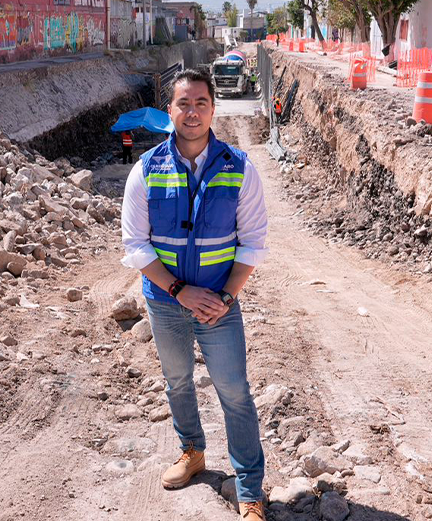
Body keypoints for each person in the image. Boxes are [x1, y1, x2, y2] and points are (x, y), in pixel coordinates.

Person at [120, 67, 270, 521]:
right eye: (183, 103)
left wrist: (223, 298)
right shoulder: (145, 170)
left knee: (235, 392)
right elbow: (136, 245)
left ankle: (249, 490)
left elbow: (253, 242)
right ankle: (192, 452)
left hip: (219, 305)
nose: (192, 112)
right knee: (178, 381)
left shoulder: (240, 168)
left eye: (200, 103)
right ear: (170, 110)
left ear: (212, 109)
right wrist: (181, 292)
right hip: (167, 303)